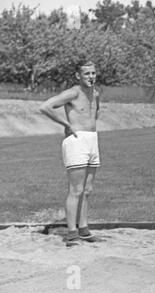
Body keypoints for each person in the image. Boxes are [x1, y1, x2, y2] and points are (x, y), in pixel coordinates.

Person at [39, 61, 103, 247]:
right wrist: (66, 124)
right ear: (78, 76)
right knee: (76, 190)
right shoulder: (73, 92)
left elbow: (94, 114)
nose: (91, 77)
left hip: (92, 140)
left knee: (88, 190)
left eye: (93, 73)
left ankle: (84, 230)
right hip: (76, 141)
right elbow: (45, 107)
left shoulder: (96, 94)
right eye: (86, 74)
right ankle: (72, 234)